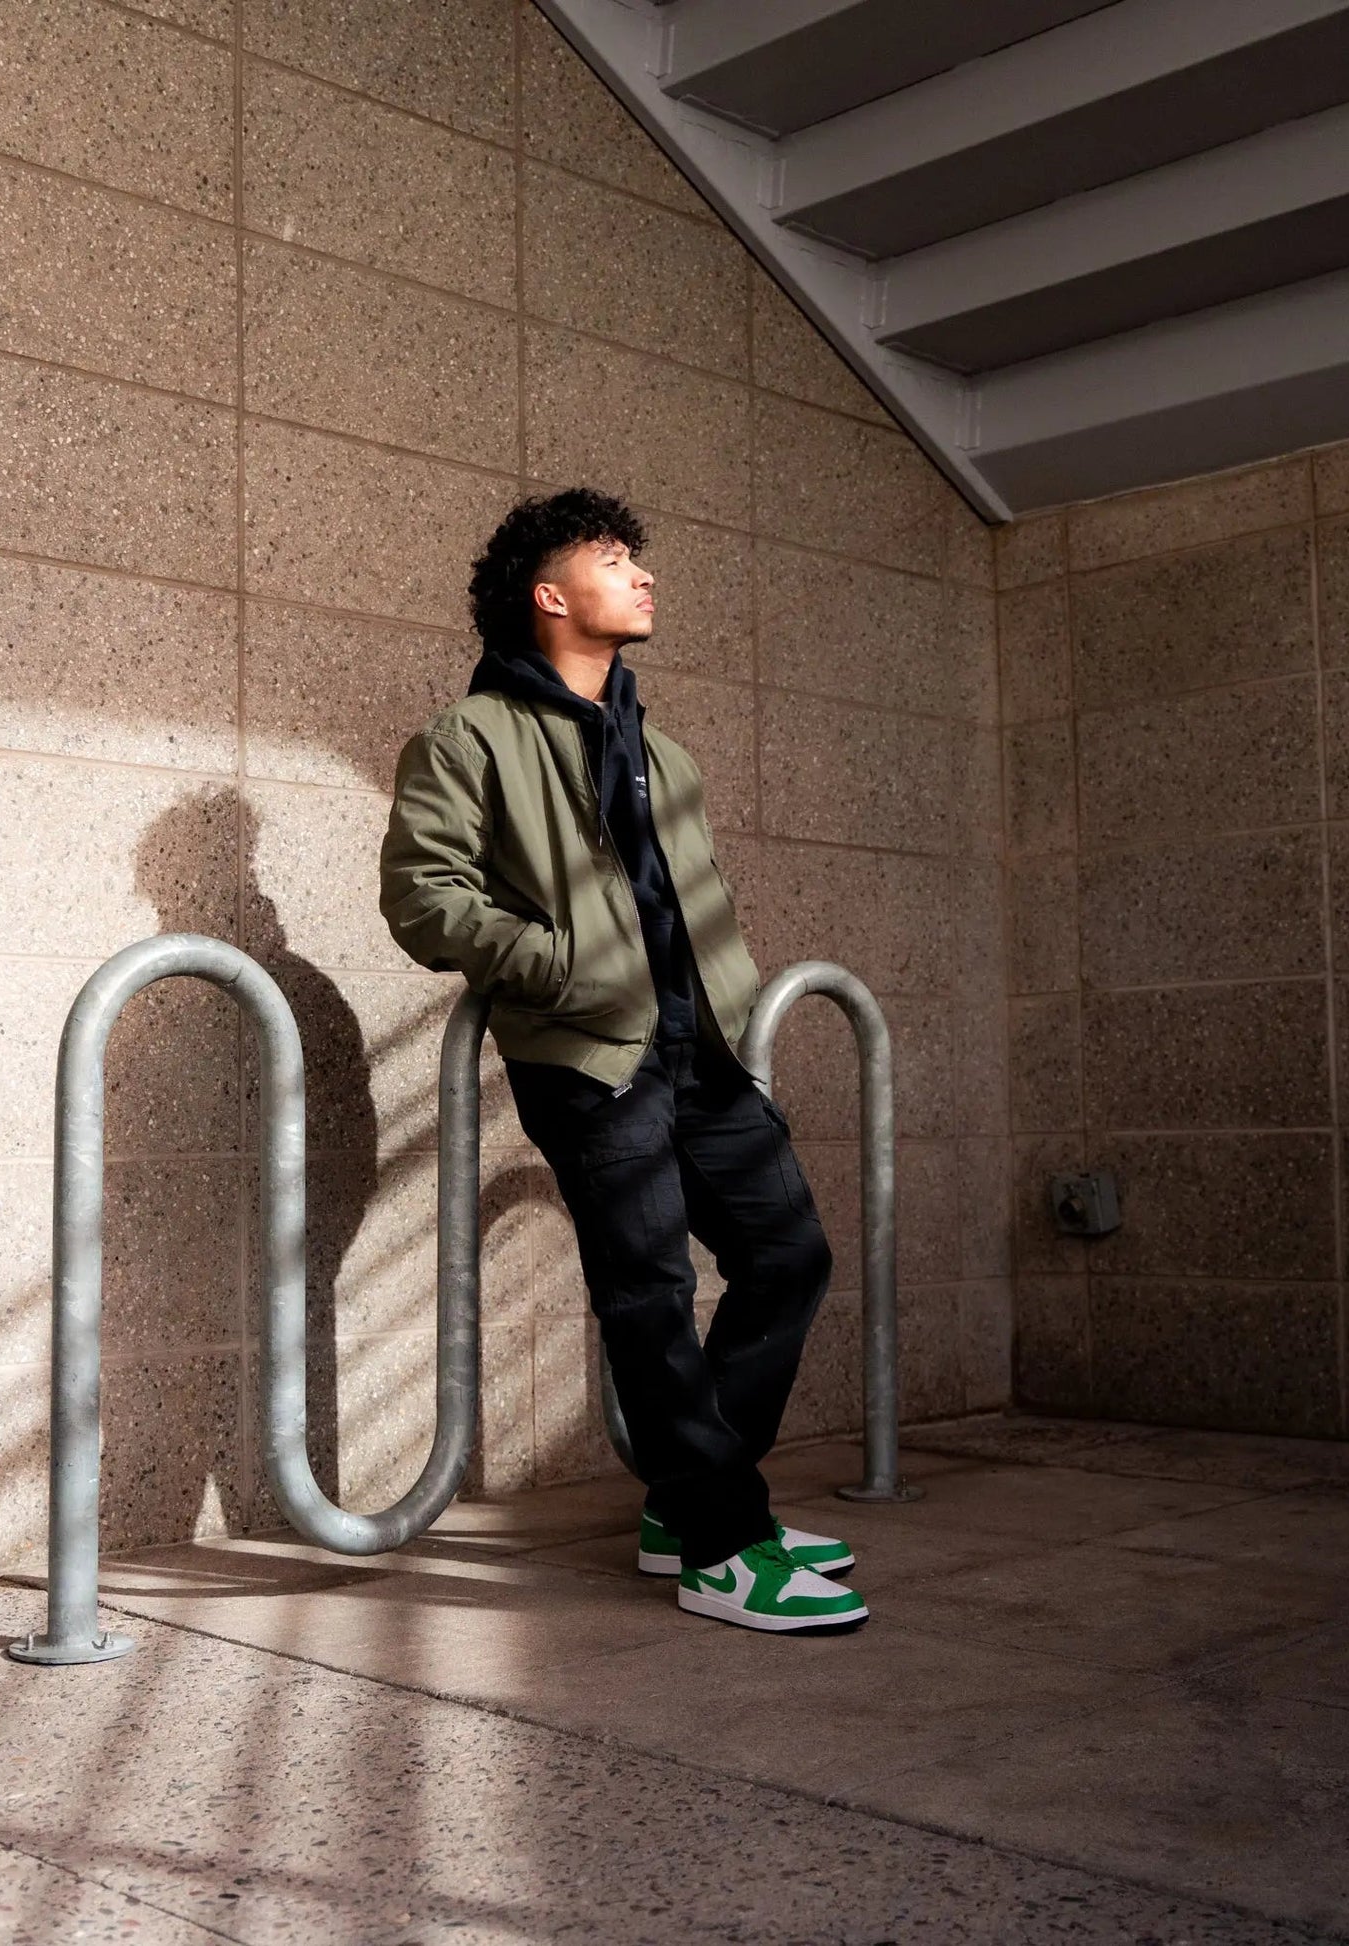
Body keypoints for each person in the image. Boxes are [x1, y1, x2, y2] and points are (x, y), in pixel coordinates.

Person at [379, 489, 865, 1634]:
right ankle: (720, 1543)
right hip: (590, 1057)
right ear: (550, 596)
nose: (642, 575)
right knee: (646, 1292)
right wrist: (558, 965)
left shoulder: (660, 749)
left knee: (786, 1253)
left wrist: (732, 1011)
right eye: (613, 559)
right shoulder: (470, 739)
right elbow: (422, 895)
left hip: (701, 1050)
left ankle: (690, 1504)